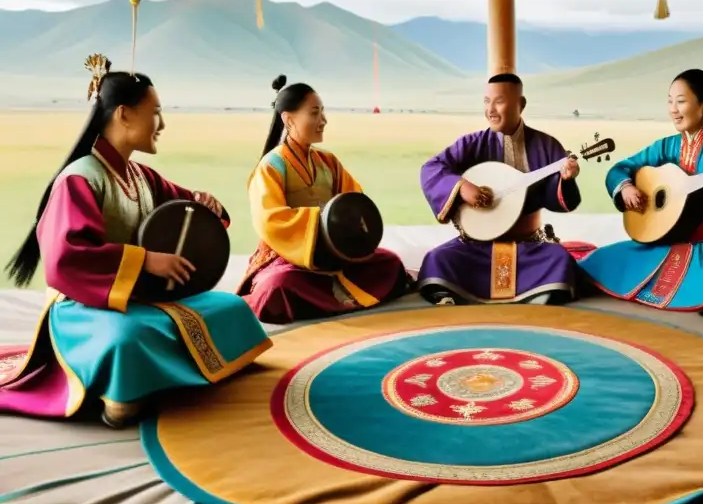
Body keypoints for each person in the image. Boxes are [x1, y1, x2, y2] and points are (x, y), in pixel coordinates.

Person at [0, 56, 271, 428]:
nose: (161, 123)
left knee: (231, 307)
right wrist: (146, 261)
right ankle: (122, 395)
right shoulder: (80, 179)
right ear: (124, 115)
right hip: (84, 307)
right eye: (155, 111)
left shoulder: (140, 175)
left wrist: (206, 204)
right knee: (126, 340)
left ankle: (148, 381)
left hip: (141, 299)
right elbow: (67, 259)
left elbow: (184, 208)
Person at [578, 68, 703, 312]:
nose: (673, 109)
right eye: (670, 101)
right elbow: (621, 169)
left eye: (681, 101)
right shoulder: (665, 147)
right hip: (662, 242)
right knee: (598, 262)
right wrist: (626, 188)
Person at [237, 76, 410, 323]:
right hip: (289, 254)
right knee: (278, 286)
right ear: (289, 119)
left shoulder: (327, 161)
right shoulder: (271, 166)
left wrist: (347, 227)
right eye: (315, 113)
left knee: (390, 263)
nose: (323, 120)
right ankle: (333, 296)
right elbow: (271, 219)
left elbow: (354, 201)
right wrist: (320, 222)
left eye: (323, 112)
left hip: (334, 252)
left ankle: (322, 299)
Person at [418, 73, 583, 305]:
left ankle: (539, 293)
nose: (491, 110)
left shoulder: (547, 145)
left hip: (529, 245)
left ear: (521, 105)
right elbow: (431, 168)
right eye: (486, 101)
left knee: (559, 260)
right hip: (477, 246)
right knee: (438, 259)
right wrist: (462, 186)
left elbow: (561, 199)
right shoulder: (472, 144)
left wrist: (565, 179)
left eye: (499, 101)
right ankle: (537, 296)